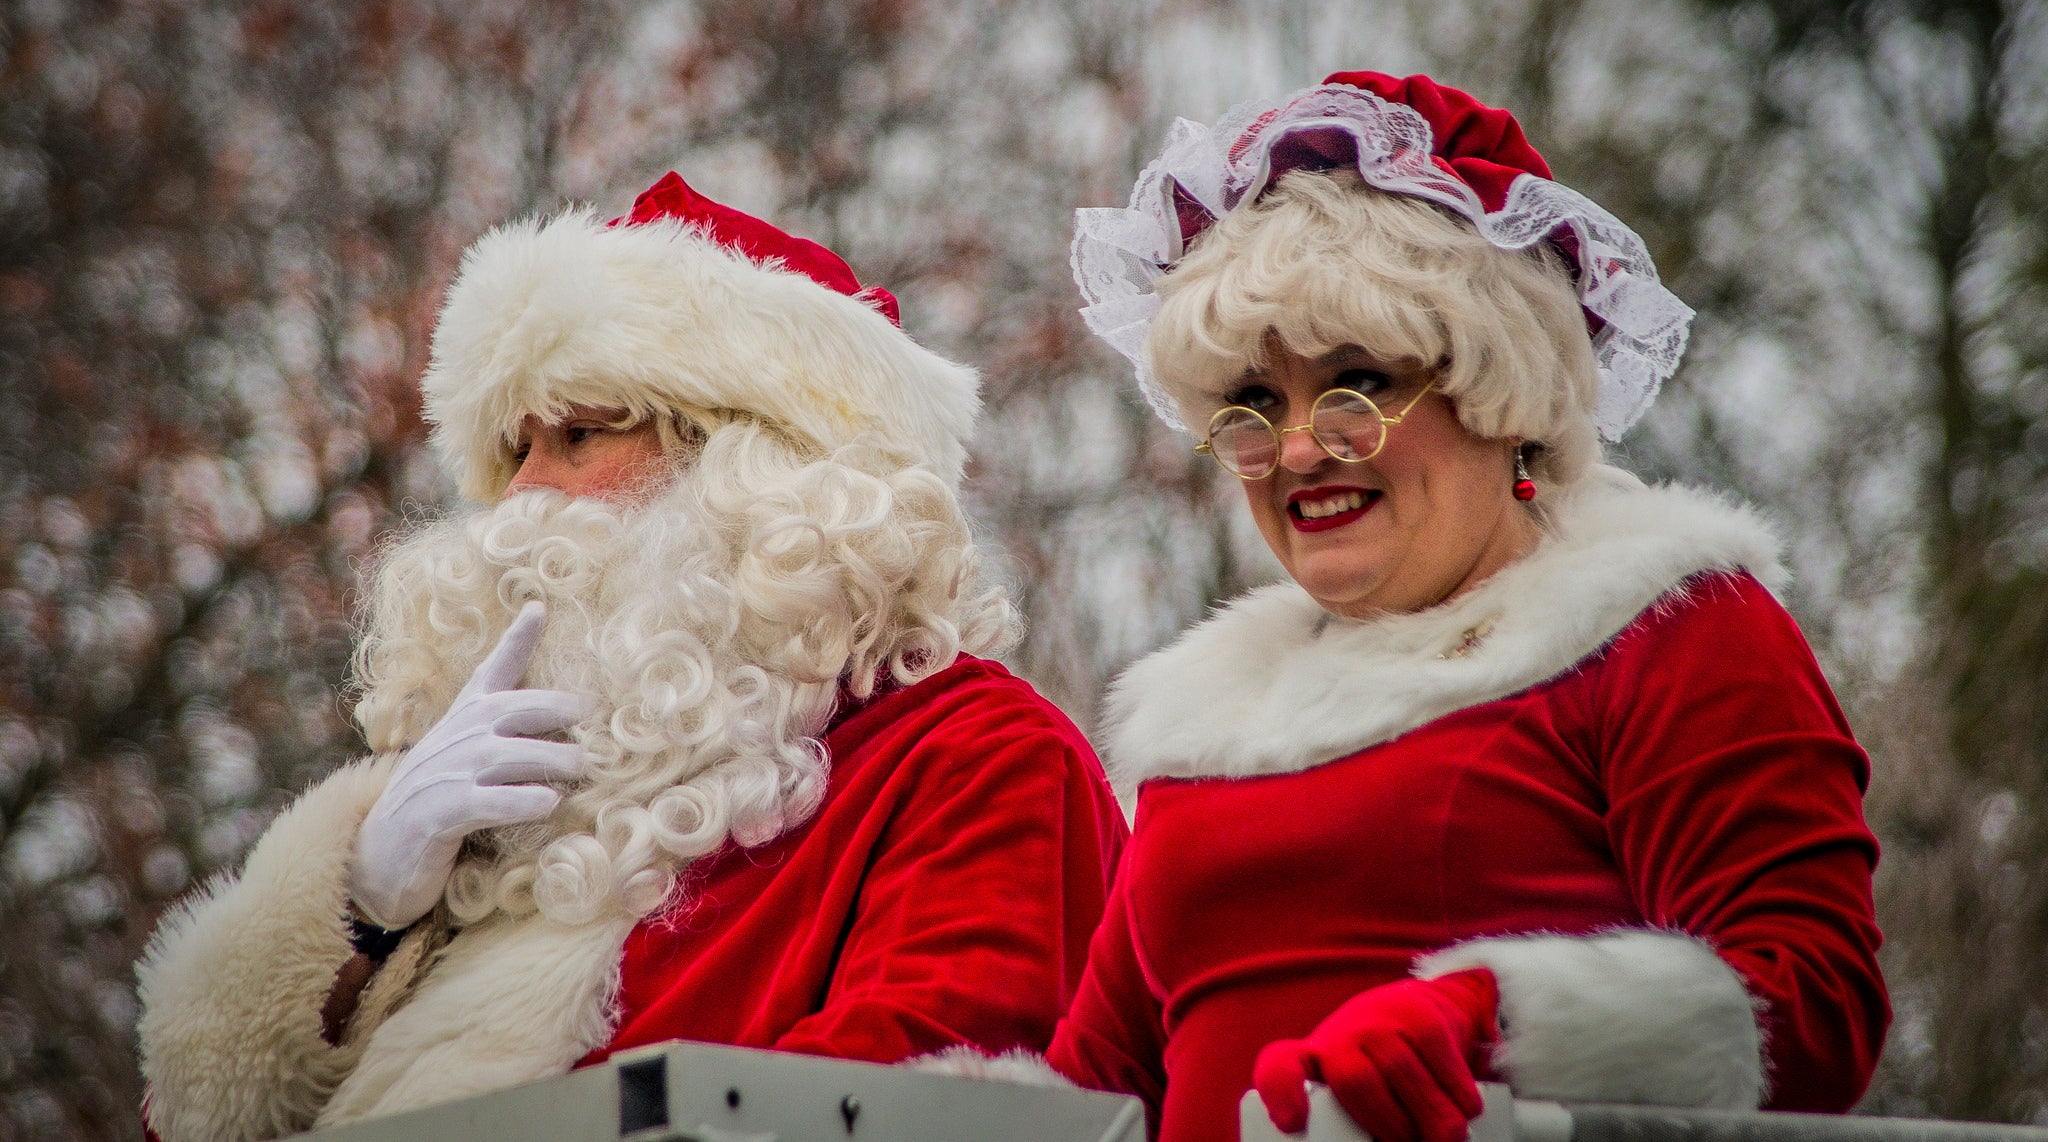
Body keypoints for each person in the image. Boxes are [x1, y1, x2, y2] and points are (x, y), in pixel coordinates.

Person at [135, 173, 1128, 1142]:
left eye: (576, 436)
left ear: (759, 470)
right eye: (509, 450)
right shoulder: (485, 809)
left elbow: (903, 1105)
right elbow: (195, 1117)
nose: (521, 497)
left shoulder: (974, 761)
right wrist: (357, 912)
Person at [1041, 72, 1889, 1142]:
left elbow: (1811, 1009)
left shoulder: (1659, 621)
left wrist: (1488, 1021)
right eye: (1252, 404)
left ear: (1498, 386)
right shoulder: (1201, 723)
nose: (1297, 449)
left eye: (1357, 380)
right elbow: (1096, 1089)